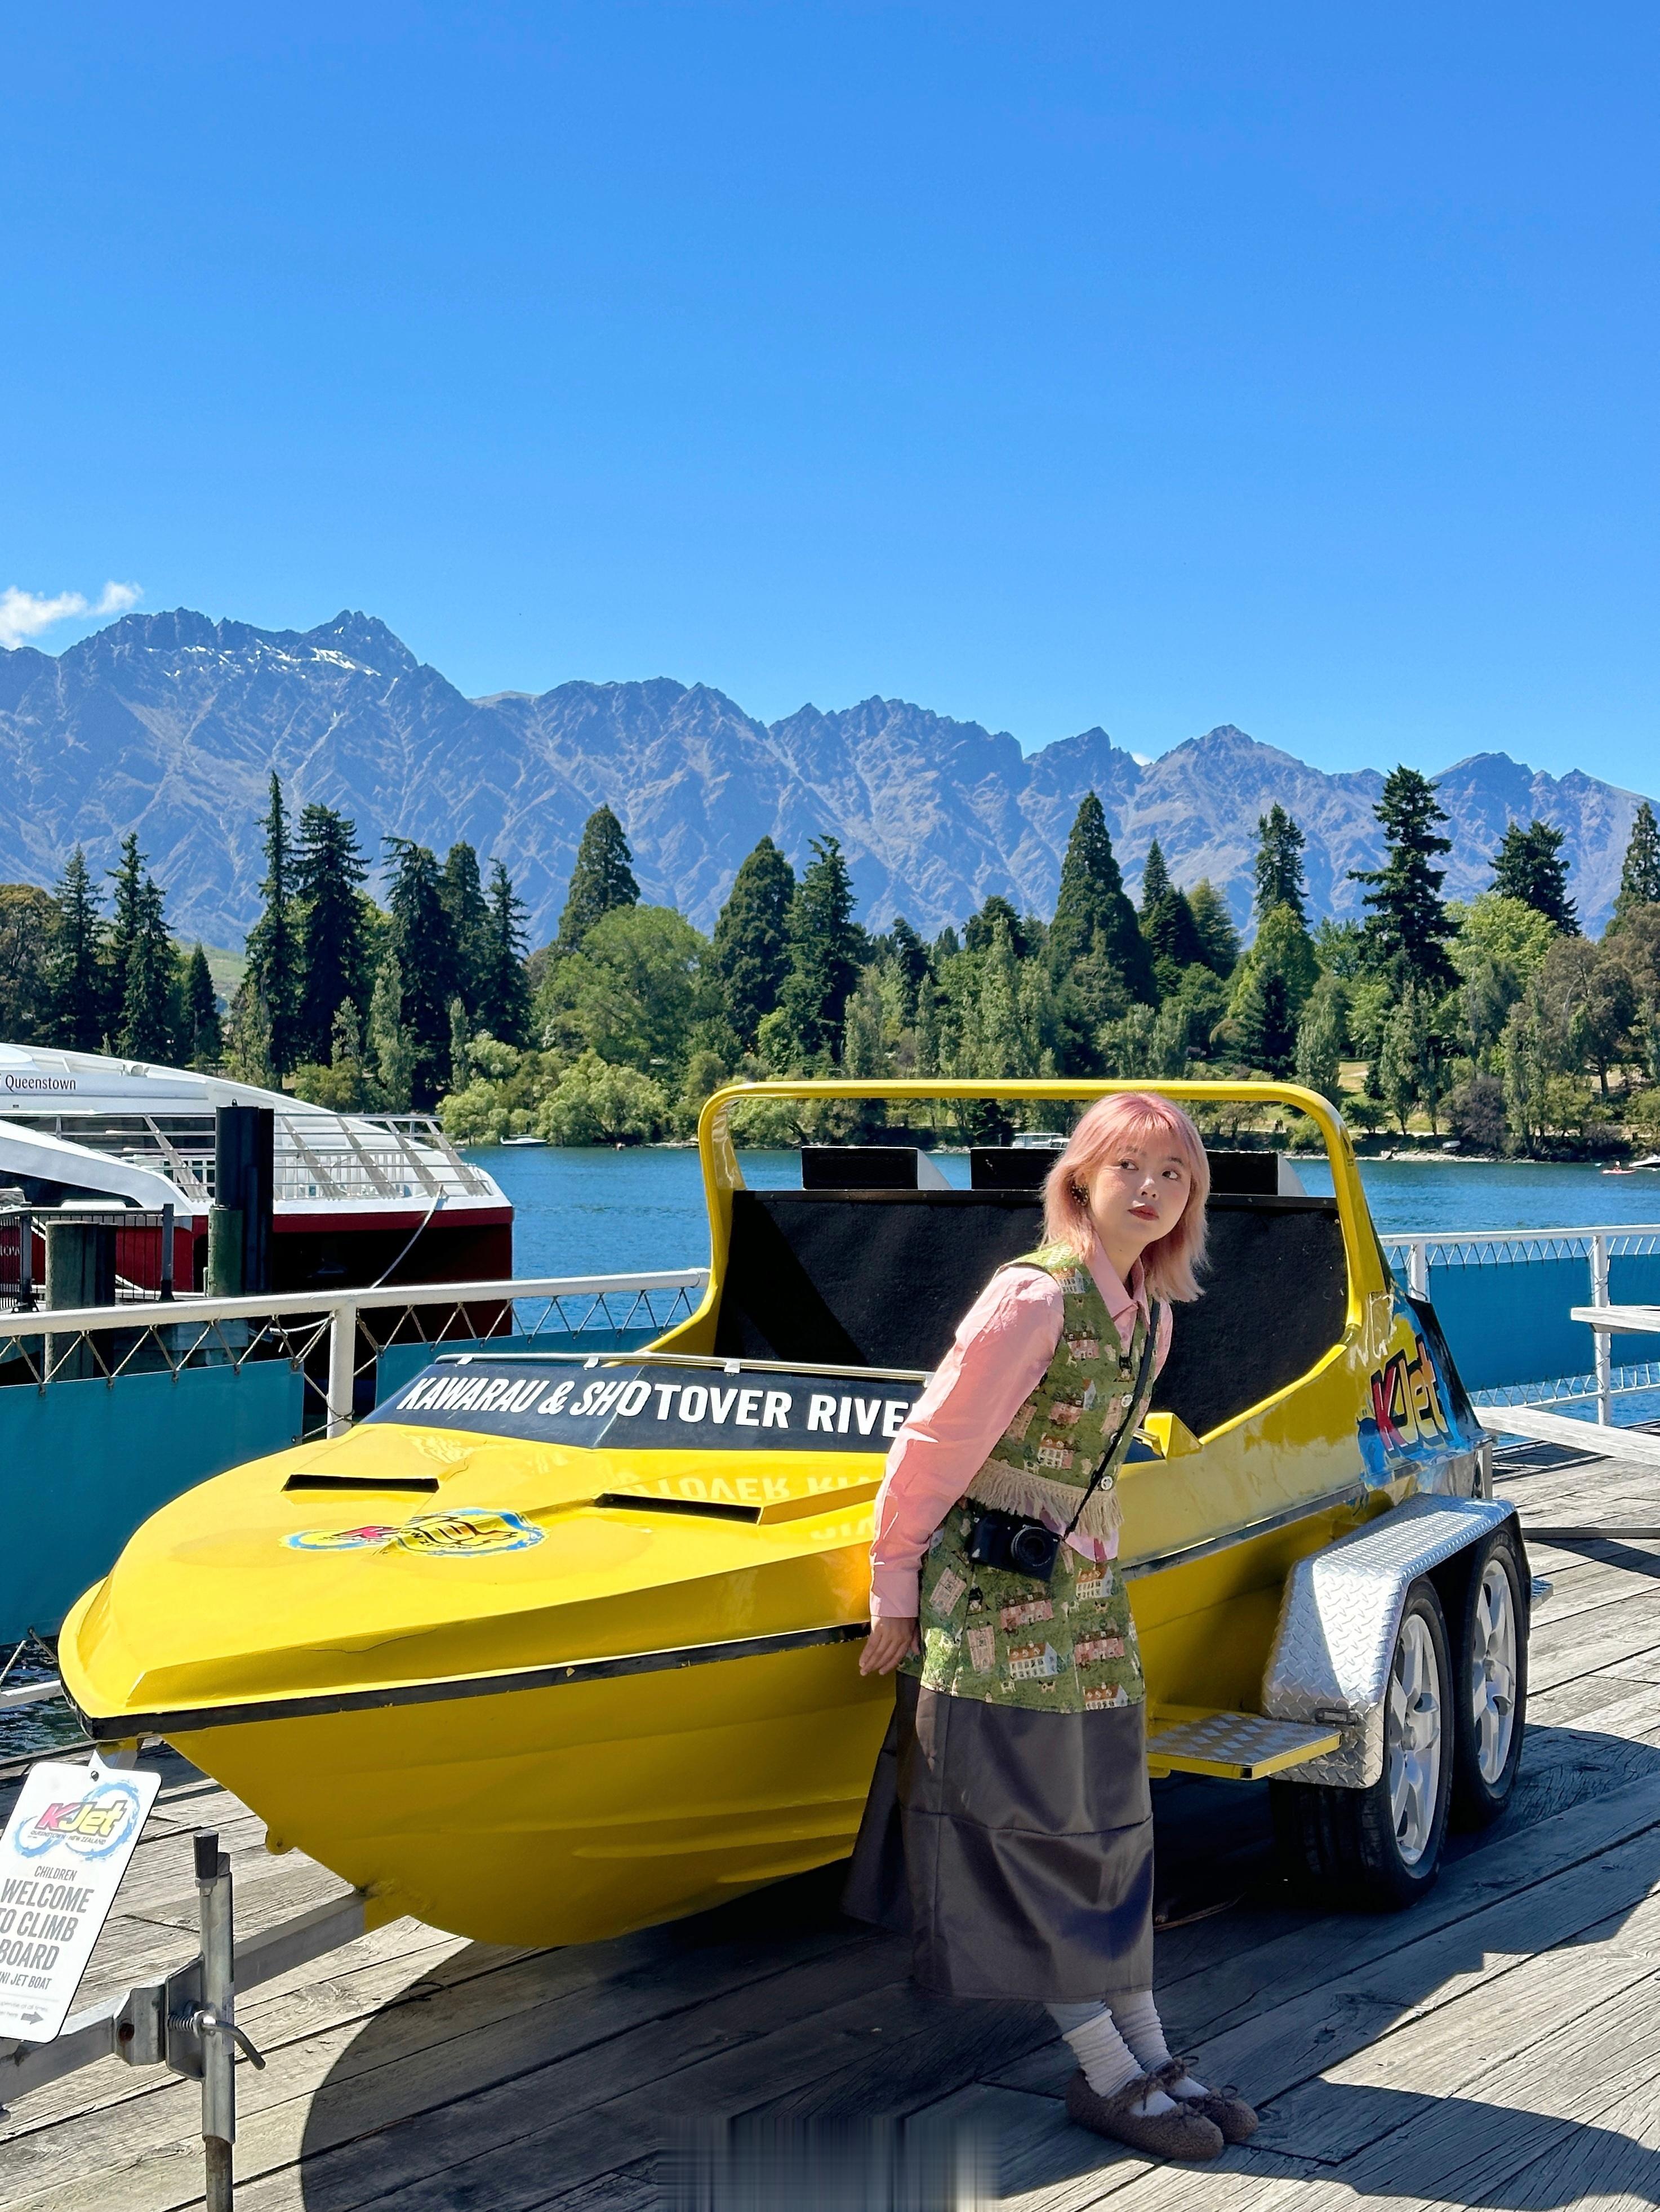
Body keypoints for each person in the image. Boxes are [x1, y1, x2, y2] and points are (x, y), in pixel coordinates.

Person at [843, 1091, 1258, 2162]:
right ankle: (1110, 2075)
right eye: (1131, 1168)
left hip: (1083, 1609)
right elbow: (930, 1446)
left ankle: (1155, 2053)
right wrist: (893, 1587)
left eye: (1176, 1175)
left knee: (1106, 1828)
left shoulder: (1154, 1316)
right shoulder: (1030, 1299)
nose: (1154, 1190)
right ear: (1081, 1179)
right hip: (988, 1609)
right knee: (1025, 1837)